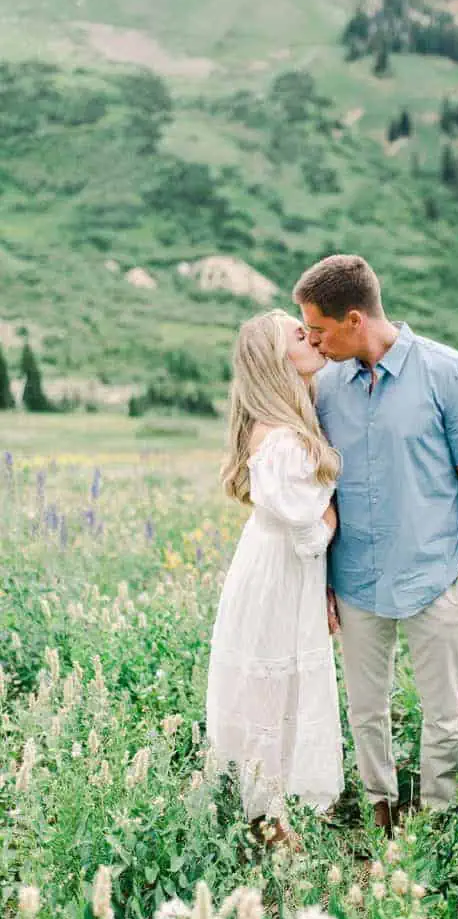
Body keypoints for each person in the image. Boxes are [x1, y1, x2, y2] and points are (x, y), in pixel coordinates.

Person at [293, 255, 458, 836]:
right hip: (356, 582)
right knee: (367, 711)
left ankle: (440, 825)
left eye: (319, 329)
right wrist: (324, 583)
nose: (312, 342)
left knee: (444, 715)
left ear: (355, 319)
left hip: (433, 577)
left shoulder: (448, 372)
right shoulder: (327, 386)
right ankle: (380, 813)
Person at [205, 309, 344, 849]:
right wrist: (335, 516)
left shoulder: (288, 426)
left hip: (276, 566)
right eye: (297, 333)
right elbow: (308, 532)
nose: (310, 337)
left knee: (279, 684)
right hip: (279, 571)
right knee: (273, 684)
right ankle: (269, 818)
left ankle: (272, 810)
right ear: (275, 358)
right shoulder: (283, 438)